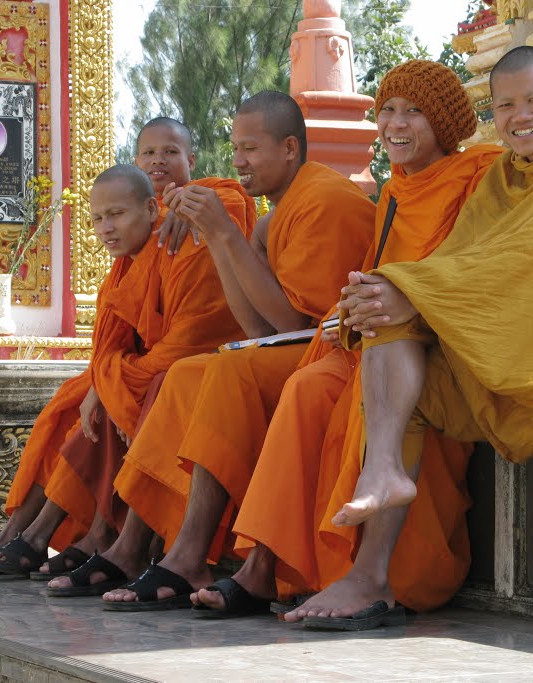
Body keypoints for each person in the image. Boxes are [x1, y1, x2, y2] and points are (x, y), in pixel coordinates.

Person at [279, 46, 533, 629]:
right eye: (505, 105)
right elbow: (468, 260)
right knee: (386, 314)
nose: (520, 116)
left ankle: (378, 507)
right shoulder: (500, 176)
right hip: (494, 333)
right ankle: (373, 553)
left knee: (398, 296)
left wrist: (411, 287)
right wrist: (389, 295)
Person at [191, 60, 502, 618]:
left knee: (312, 387)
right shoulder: (394, 193)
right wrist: (349, 309)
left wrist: (406, 299)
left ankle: (358, 574)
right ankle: (263, 565)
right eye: (387, 110)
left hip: (435, 342)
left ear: (448, 122)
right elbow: (373, 270)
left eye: (414, 112)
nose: (395, 124)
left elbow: (478, 269)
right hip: (373, 340)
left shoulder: (481, 175)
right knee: (308, 387)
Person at [47, 91, 375, 606]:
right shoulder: (272, 218)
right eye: (234, 147)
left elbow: (294, 324)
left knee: (222, 372)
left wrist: (223, 230)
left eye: (250, 149)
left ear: (290, 148)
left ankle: (188, 553)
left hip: (338, 354)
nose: (238, 161)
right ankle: (138, 543)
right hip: (294, 349)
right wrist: (219, 237)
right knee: (186, 375)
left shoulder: (325, 200)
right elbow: (258, 323)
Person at [0, 119, 256, 581]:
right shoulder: (134, 251)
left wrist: (185, 210)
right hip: (150, 366)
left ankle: (75, 537)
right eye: (147, 154)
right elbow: (115, 343)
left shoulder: (203, 217)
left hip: (196, 362)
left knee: (116, 401)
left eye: (170, 152)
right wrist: (103, 379)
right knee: (71, 403)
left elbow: (193, 332)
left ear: (191, 162)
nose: (158, 162)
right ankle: (23, 531)